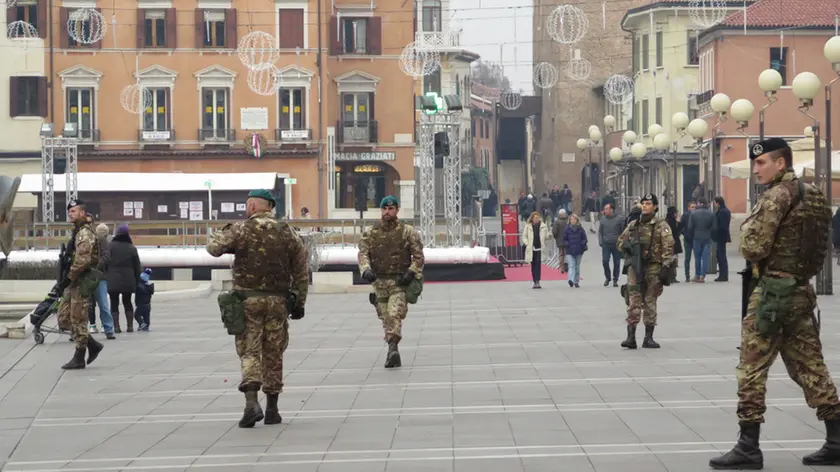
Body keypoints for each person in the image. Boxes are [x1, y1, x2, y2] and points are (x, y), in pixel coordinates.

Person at [710, 138, 840, 469]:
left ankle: (748, 446)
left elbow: (753, 246)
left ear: (781, 163)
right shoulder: (814, 195)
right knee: (810, 367)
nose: (756, 168)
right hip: (800, 291)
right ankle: (837, 439)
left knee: (751, 367)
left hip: (771, 294)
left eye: (762, 162)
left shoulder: (777, 196)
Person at [207, 189, 308, 428]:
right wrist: (300, 303)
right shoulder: (289, 233)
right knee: (274, 353)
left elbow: (213, 248)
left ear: (252, 206)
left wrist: (226, 238)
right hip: (278, 303)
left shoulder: (241, 230)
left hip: (248, 301)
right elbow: (301, 272)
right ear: (270, 207)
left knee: (250, 351)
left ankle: (251, 403)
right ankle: (273, 409)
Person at [358, 196, 425, 368]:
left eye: (391, 209)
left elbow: (418, 257)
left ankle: (393, 348)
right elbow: (363, 253)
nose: (387, 212)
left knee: (394, 314)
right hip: (379, 283)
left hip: (398, 283)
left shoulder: (407, 232)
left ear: (397, 210)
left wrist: (411, 272)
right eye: (384, 209)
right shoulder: (371, 232)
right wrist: (365, 269)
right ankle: (392, 347)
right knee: (385, 317)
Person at [618, 193, 674, 350]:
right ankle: (631, 336)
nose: (645, 206)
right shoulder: (633, 225)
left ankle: (648, 337)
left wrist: (666, 267)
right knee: (633, 300)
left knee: (650, 301)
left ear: (655, 207)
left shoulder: (661, 225)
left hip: (653, 268)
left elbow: (669, 247)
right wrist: (626, 246)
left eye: (648, 203)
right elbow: (620, 241)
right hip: (635, 268)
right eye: (643, 203)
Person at [57, 199, 104, 370]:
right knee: (63, 317)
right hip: (73, 280)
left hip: (80, 280)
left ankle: (79, 356)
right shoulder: (76, 232)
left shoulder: (84, 233)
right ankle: (92, 344)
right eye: (69, 211)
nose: (71, 214)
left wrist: (67, 279)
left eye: (74, 211)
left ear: (83, 213)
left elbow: (82, 260)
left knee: (78, 318)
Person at [107, 224, 142, 333]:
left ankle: (116, 327)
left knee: (114, 302)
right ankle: (130, 326)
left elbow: (105, 261)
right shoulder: (131, 248)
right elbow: (137, 266)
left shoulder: (110, 246)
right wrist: (136, 281)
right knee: (127, 301)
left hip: (113, 278)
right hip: (128, 279)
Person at [87, 223, 114, 339]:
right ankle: (79, 330)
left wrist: (95, 267)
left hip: (98, 276)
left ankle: (108, 328)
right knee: (85, 305)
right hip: (86, 276)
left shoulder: (101, 241)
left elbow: (106, 257)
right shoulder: (81, 239)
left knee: (103, 304)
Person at [687, 197, 715, 283]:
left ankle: (697, 275)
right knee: (705, 257)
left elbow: (690, 227)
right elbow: (715, 227)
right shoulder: (711, 214)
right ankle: (703, 276)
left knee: (697, 257)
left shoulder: (694, 214)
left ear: (699, 203)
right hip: (707, 237)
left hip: (696, 237)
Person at [598, 202, 624, 287]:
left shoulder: (619, 219)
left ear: (611, 210)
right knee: (605, 261)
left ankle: (615, 279)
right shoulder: (603, 219)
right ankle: (607, 277)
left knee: (617, 262)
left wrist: (621, 241)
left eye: (606, 209)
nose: (604, 211)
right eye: (604, 209)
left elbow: (623, 231)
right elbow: (600, 231)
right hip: (606, 244)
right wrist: (601, 241)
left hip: (616, 244)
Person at [521, 211, 549, 289]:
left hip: (540, 248)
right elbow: (524, 237)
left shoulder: (543, 226)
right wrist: (527, 244)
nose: (537, 219)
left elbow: (546, 236)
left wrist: (549, 235)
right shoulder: (528, 226)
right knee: (533, 265)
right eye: (535, 218)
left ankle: (537, 281)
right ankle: (534, 280)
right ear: (532, 219)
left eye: (538, 218)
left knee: (538, 265)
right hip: (531, 248)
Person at [562, 214, 587, 288]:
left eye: (574, 219)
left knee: (577, 266)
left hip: (579, 250)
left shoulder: (580, 229)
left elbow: (584, 239)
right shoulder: (567, 229)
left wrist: (581, 244)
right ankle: (570, 280)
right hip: (570, 250)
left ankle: (576, 281)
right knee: (571, 265)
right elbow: (564, 239)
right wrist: (567, 244)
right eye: (571, 220)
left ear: (577, 220)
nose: (572, 221)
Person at [712, 196, 732, 282]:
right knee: (720, 256)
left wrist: (717, 233)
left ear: (717, 203)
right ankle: (722, 274)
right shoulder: (723, 211)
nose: (714, 205)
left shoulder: (723, 212)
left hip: (721, 236)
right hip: (720, 236)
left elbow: (722, 226)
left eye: (715, 203)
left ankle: (723, 275)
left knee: (721, 256)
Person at [665, 206, 683, 284]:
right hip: (674, 243)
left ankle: (669, 276)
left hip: (667, 243)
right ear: (673, 213)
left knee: (668, 260)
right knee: (673, 260)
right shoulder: (673, 222)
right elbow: (677, 232)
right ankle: (673, 277)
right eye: (676, 212)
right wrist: (679, 223)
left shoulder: (666, 221)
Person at [680, 201, 696, 282]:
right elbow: (681, 226)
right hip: (687, 240)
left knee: (697, 258)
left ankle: (697, 275)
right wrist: (685, 234)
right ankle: (687, 276)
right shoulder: (685, 216)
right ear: (688, 208)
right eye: (692, 207)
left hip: (696, 239)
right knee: (687, 258)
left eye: (694, 207)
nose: (693, 209)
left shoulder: (697, 215)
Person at [551, 209, 569, 273]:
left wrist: (556, 237)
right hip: (568, 240)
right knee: (568, 253)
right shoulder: (568, 220)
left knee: (561, 254)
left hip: (560, 240)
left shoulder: (557, 221)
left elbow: (554, 231)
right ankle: (567, 265)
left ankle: (562, 268)